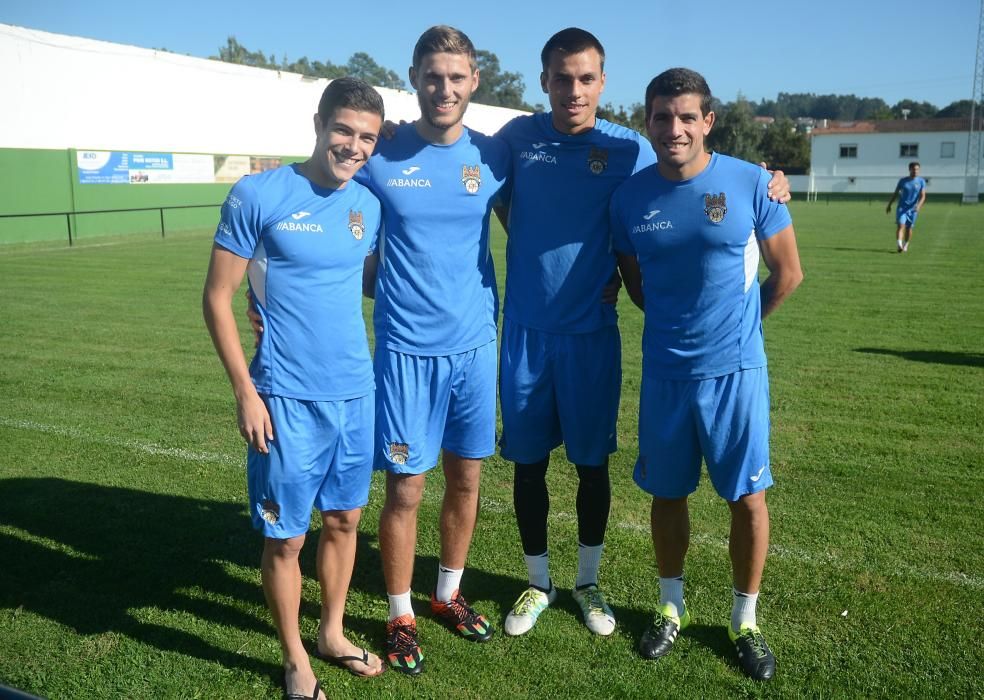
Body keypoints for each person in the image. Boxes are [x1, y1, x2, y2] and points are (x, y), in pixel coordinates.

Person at [493, 28, 791, 638]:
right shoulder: (518, 139)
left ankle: (590, 583)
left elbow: (776, 260)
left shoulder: (629, 148)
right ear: (543, 79)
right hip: (529, 330)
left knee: (592, 464)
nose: (573, 89)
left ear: (603, 84)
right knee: (528, 463)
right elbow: (465, 165)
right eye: (561, 77)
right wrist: (392, 133)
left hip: (598, 335)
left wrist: (771, 180)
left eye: (586, 78)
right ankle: (537, 583)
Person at [611, 67, 803, 681]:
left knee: (748, 498)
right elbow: (636, 284)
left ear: (707, 122)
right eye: (663, 117)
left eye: (687, 117)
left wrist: (743, 328)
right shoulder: (631, 198)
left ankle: (744, 619)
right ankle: (672, 608)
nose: (675, 128)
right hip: (667, 373)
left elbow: (788, 272)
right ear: (648, 122)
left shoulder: (752, 184)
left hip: (736, 373)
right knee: (668, 496)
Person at [202, 78, 387, 700]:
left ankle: (332, 633)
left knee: (344, 520)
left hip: (356, 394)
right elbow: (217, 299)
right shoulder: (259, 194)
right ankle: (294, 657)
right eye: (343, 130)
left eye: (367, 137)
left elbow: (355, 283)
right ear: (318, 122)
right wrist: (245, 392)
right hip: (283, 396)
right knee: (286, 538)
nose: (353, 146)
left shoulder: (368, 205)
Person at [358, 26, 511, 676]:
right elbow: (333, 211)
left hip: (476, 350)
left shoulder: (496, 158)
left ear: (475, 81)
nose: (444, 88)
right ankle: (399, 613)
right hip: (405, 353)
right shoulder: (381, 153)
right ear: (415, 77)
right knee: (406, 489)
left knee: (467, 478)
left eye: (457, 77)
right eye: (432, 75)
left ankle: (447, 594)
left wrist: (758, 178)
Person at [886, 162, 927, 252]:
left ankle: (906, 244)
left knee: (909, 228)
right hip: (901, 208)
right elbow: (895, 193)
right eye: (914, 169)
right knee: (901, 226)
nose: (916, 171)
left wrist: (919, 206)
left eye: (917, 169)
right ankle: (899, 245)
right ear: (910, 170)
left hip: (913, 210)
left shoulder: (921, 181)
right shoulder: (903, 181)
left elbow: (923, 196)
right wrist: (889, 205)